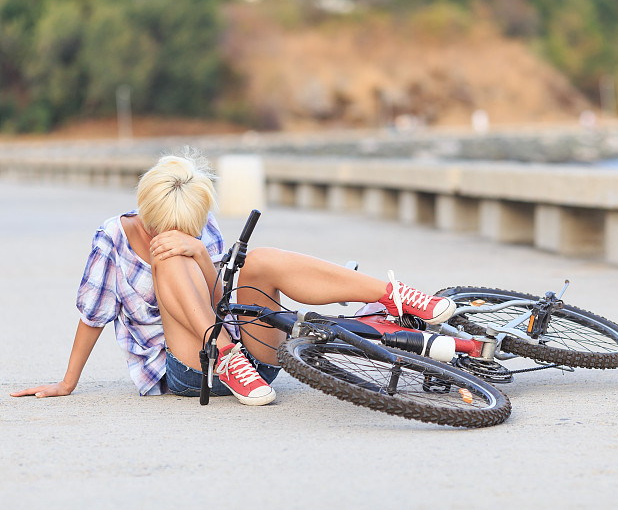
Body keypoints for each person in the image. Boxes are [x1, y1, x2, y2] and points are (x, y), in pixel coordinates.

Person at [10, 150, 456, 406]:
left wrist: (202, 252)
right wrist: (66, 383)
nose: (180, 232)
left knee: (257, 259)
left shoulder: (195, 218)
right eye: (166, 227)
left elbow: (224, 295)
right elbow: (92, 318)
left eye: (189, 226)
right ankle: (223, 352)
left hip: (255, 362)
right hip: (190, 368)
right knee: (170, 260)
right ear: (145, 214)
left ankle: (393, 294)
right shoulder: (112, 238)